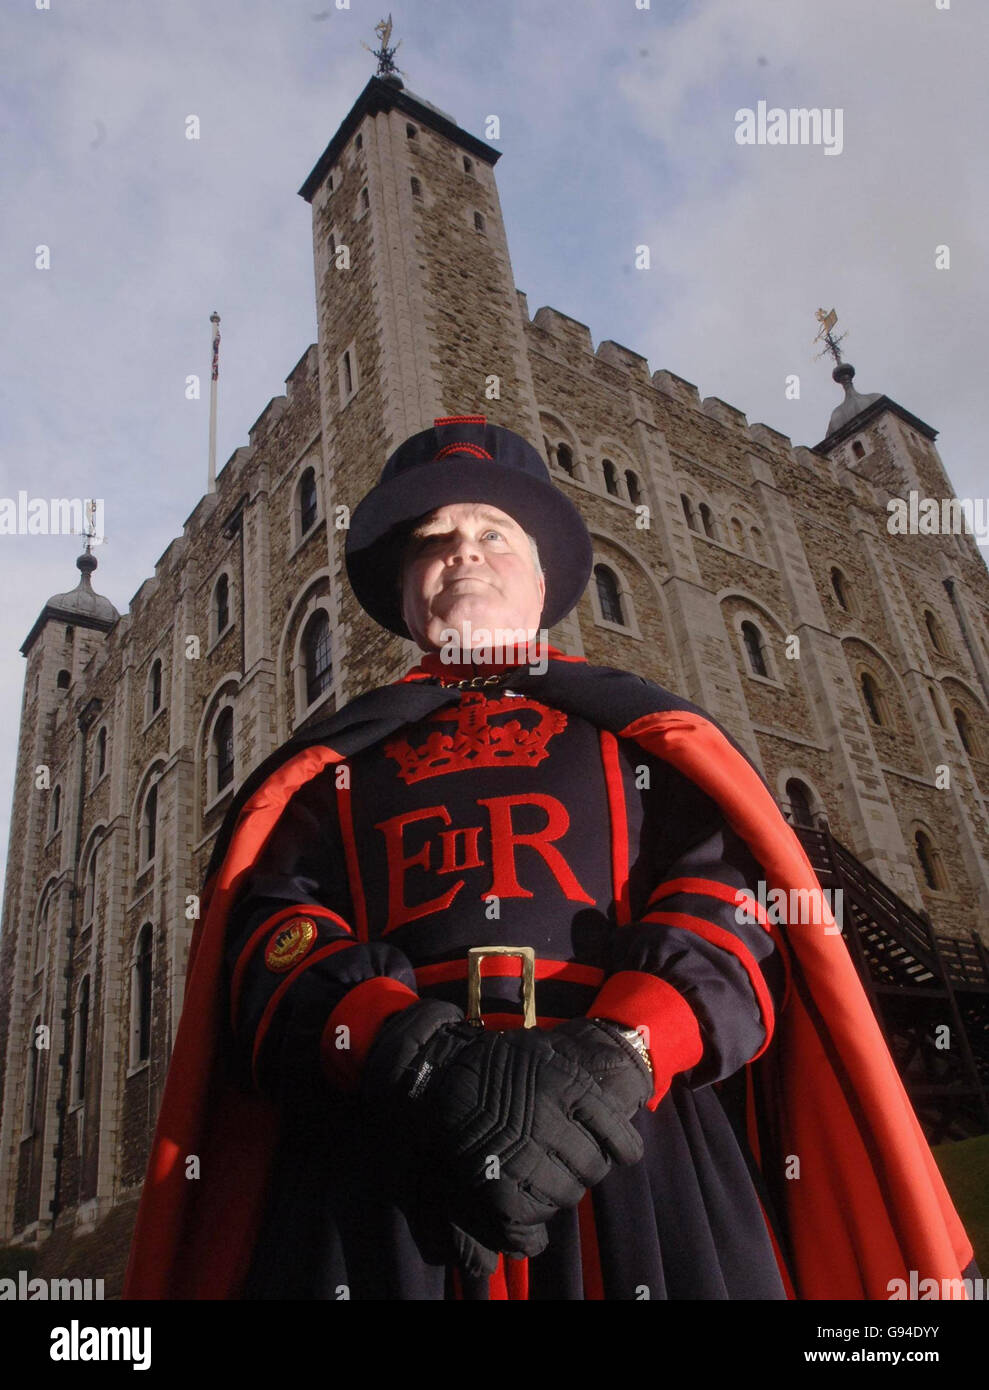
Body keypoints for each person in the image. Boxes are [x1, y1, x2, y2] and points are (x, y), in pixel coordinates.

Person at [124, 415, 975, 1301]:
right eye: (434, 540)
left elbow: (734, 898)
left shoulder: (652, 735)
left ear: (541, 578)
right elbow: (274, 937)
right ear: (405, 590)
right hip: (386, 1159)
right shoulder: (325, 770)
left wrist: (624, 1051)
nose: (464, 553)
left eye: (494, 533)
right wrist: (410, 1055)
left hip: (635, 1144)